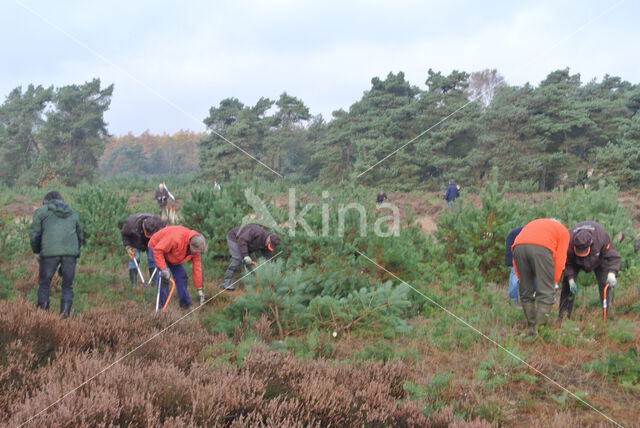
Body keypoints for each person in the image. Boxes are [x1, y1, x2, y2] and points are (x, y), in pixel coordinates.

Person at [28, 191, 83, 318]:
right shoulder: (73, 212)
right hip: (70, 253)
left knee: (44, 283)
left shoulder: (41, 211)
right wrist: (74, 251)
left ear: (45, 201)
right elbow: (80, 235)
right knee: (67, 285)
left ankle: (43, 316)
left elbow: (35, 234)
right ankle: (65, 316)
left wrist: (36, 251)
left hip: (49, 253)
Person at [512, 218, 570, 335]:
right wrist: (554, 281)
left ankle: (531, 326)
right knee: (546, 293)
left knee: (525, 291)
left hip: (518, 247)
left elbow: (516, 248)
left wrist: (519, 275)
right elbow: (560, 260)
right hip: (542, 249)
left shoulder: (533, 223)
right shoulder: (563, 231)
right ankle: (539, 331)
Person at [558, 221, 621, 322]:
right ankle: (562, 318)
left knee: (605, 285)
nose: (582, 253)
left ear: (591, 244)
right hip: (574, 261)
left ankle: (608, 317)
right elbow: (566, 262)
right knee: (567, 285)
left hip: (599, 259)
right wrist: (570, 279)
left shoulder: (601, 238)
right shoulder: (568, 241)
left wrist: (612, 273)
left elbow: (613, 257)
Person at [148, 226, 207, 309]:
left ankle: (185, 304)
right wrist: (163, 269)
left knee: (182, 275)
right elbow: (158, 250)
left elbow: (197, 268)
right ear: (191, 246)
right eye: (196, 252)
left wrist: (199, 289)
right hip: (156, 248)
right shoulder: (176, 238)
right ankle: (161, 308)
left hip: (172, 254)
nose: (197, 254)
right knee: (163, 278)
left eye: (199, 253)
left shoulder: (196, 251)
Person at [222, 224, 280, 291]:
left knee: (253, 262)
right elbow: (242, 240)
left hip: (247, 245)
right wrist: (245, 255)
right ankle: (226, 283)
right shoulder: (257, 232)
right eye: (269, 245)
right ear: (268, 239)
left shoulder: (267, 243)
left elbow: (268, 255)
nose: (268, 246)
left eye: (271, 246)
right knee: (238, 259)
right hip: (235, 238)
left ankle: (250, 283)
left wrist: (272, 266)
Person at [120, 213, 167, 287]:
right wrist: (128, 247)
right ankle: (133, 285)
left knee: (153, 259)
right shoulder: (130, 224)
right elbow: (125, 236)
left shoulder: (159, 224)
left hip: (152, 242)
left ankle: (154, 283)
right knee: (135, 259)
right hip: (135, 242)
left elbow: (166, 233)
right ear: (143, 227)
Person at [505, 226, 524, 305]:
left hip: (522, 249)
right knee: (515, 276)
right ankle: (513, 301)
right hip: (516, 249)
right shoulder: (516, 233)